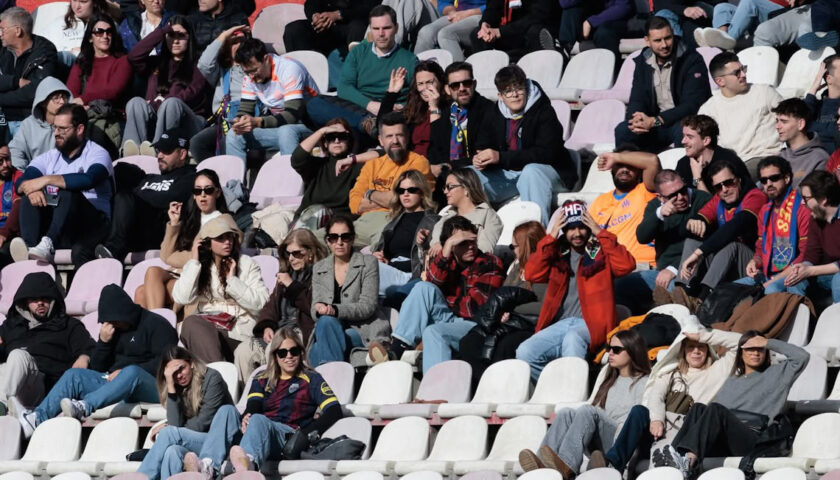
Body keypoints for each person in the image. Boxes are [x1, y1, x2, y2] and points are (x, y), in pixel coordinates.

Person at [10, 284, 178, 437]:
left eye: (116, 319)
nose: (112, 323)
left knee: (131, 372)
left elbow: (169, 363)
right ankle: (36, 419)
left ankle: (84, 406)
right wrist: (104, 342)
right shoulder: (112, 329)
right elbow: (97, 367)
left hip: (154, 386)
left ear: (126, 313)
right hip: (115, 385)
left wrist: (127, 372)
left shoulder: (156, 324)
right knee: (74, 375)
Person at [183, 328, 342, 478]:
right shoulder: (262, 378)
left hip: (285, 434)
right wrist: (247, 416)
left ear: (301, 353)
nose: (289, 357)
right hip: (258, 431)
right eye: (282, 353)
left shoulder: (312, 379)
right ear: (275, 356)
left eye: (294, 351)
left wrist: (308, 433)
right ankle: (207, 466)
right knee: (226, 410)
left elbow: (334, 409)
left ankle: (247, 465)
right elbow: (254, 405)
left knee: (258, 420)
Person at [653, 331, 809, 479]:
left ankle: (687, 461)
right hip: (727, 439)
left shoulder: (778, 373)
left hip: (754, 438)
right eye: (750, 349)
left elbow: (802, 357)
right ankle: (674, 459)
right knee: (698, 408)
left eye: (760, 349)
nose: (755, 353)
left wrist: (768, 342)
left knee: (715, 409)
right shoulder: (731, 381)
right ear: (741, 353)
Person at [591, 328, 742, 474]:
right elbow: (656, 396)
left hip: (688, 431)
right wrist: (656, 419)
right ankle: (612, 464)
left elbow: (739, 342)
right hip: (660, 427)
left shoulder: (716, 371)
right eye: (691, 347)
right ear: (683, 350)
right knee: (639, 411)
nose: (696, 351)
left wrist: (701, 336)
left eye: (701, 347)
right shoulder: (669, 372)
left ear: (708, 349)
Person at [515, 200, 636, 381]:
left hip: (592, 324)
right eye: (571, 228)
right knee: (525, 351)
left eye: (582, 227)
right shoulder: (557, 251)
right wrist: (551, 236)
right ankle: (556, 389)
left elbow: (627, 265)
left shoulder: (601, 249)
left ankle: (572, 395)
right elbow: (532, 273)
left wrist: (599, 232)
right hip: (559, 323)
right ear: (564, 230)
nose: (577, 233)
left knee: (572, 338)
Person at [369, 215, 505, 373]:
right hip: (452, 318)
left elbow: (474, 308)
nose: (470, 247)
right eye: (462, 242)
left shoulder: (490, 262)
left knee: (433, 331)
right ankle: (397, 349)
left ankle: (434, 392)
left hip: (476, 325)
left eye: (472, 241)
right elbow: (431, 284)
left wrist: (443, 302)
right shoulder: (448, 262)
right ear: (451, 245)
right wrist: (446, 251)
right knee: (423, 288)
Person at [519, 330, 651, 479]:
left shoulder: (644, 382)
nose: (610, 353)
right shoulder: (608, 378)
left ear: (633, 350)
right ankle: (541, 468)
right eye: (609, 348)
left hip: (620, 441)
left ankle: (567, 465)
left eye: (616, 349)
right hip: (598, 441)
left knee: (588, 411)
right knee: (565, 413)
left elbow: (638, 421)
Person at [10, 104, 114, 266]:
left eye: (62, 129)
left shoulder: (98, 153)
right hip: (62, 225)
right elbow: (21, 184)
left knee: (67, 191)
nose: (56, 133)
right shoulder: (49, 157)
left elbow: (89, 179)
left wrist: (47, 179)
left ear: (79, 129)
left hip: (93, 225)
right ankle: (28, 249)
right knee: (29, 197)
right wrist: (30, 190)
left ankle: (48, 243)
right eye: (55, 128)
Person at [473, 65, 575, 224]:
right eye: (508, 91)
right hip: (510, 174)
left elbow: (547, 154)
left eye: (519, 88)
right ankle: (476, 235)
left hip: (550, 173)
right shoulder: (494, 112)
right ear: (500, 95)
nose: (514, 95)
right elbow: (482, 143)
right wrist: (481, 159)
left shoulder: (544, 111)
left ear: (526, 88)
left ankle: (539, 238)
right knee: (467, 177)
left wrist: (500, 157)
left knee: (531, 171)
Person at [173, 214, 270, 375]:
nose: (227, 242)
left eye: (229, 237)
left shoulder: (246, 264)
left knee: (193, 325)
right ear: (207, 243)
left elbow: (262, 305)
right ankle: (221, 378)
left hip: (238, 331)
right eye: (220, 238)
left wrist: (232, 281)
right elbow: (182, 297)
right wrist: (194, 262)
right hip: (208, 329)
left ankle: (218, 381)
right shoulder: (200, 268)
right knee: (191, 324)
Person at [458, 220, 547, 386]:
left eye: (515, 246)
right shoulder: (516, 267)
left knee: (504, 345)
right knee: (469, 342)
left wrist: (511, 310)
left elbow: (543, 304)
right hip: (507, 322)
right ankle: (482, 387)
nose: (512, 250)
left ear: (527, 245)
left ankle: (500, 389)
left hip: (529, 325)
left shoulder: (544, 269)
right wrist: (501, 312)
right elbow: (504, 293)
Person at [304, 5, 417, 135]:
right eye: (376, 28)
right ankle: (365, 125)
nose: (381, 33)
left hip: (389, 113)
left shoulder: (409, 59)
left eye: (386, 28)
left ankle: (361, 128)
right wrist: (370, 105)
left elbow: (415, 97)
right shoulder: (359, 51)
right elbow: (344, 87)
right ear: (370, 29)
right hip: (360, 108)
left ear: (396, 28)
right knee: (311, 104)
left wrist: (395, 107)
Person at [233, 229, 328, 379]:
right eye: (288, 253)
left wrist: (292, 286)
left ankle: (275, 396)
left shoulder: (322, 274)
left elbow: (314, 307)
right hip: (279, 330)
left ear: (310, 252)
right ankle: (250, 397)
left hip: (301, 331)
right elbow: (270, 306)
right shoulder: (286, 274)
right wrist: (267, 326)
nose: (291, 258)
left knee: (276, 347)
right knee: (243, 351)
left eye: (297, 253)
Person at [676, 159, 768, 310]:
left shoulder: (755, 197)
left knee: (730, 245)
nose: (724, 189)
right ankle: (682, 293)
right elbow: (683, 230)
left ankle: (701, 300)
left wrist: (698, 254)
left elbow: (735, 227)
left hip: (754, 263)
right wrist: (694, 222)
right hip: (727, 263)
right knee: (692, 241)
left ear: (738, 180)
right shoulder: (719, 199)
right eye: (718, 186)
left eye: (729, 183)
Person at [615, 169, 711, 314]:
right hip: (661, 273)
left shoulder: (703, 201)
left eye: (683, 190)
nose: (680, 197)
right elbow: (642, 237)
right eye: (673, 196)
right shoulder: (655, 206)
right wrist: (659, 215)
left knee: (676, 291)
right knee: (619, 285)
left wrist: (673, 269)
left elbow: (707, 245)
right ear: (661, 197)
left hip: (691, 272)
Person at [95, 129, 196, 261]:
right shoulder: (149, 178)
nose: (160, 155)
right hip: (135, 228)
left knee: (125, 197)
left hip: (158, 233)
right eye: (158, 150)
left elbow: (166, 199)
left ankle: (113, 249)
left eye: (166, 151)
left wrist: (136, 195)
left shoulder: (191, 178)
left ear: (182, 154)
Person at [0, 272, 93, 415]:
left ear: (53, 300)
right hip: (11, 383)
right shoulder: (11, 326)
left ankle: (2, 406)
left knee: (18, 355)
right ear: (25, 301)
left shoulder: (69, 325)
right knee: (4, 367)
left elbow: (91, 348)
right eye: (34, 299)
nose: (40, 303)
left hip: (41, 387)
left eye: (45, 298)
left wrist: (84, 356)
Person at [615, 16, 711, 154]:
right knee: (624, 130)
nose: (664, 45)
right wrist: (636, 119)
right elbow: (637, 97)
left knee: (686, 132)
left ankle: (683, 174)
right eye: (657, 40)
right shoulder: (643, 61)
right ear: (647, 41)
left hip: (682, 121)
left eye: (668, 38)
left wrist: (656, 121)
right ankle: (631, 173)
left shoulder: (692, 59)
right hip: (655, 123)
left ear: (673, 33)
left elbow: (692, 104)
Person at [135, 170, 228, 310]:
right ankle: (153, 328)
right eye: (198, 191)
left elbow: (199, 256)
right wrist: (174, 224)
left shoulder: (222, 221)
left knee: (146, 285)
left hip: (200, 278)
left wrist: (177, 257)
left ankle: (156, 327)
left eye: (208, 190)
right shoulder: (192, 220)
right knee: (143, 286)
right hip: (179, 274)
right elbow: (166, 256)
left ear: (218, 193)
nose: (202, 195)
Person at [137, 346, 234, 480]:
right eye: (173, 374)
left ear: (192, 363)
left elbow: (202, 423)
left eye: (181, 368)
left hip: (219, 442)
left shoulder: (212, 378)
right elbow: (175, 423)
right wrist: (170, 386)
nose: (179, 375)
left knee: (168, 433)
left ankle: (140, 477)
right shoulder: (176, 387)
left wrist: (171, 429)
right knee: (172, 452)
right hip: (197, 442)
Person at [123, 15, 210, 156]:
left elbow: (193, 92)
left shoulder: (199, 63)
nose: (175, 41)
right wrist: (162, 31)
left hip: (189, 121)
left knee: (171, 103)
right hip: (159, 118)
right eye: (171, 35)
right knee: (135, 103)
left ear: (189, 38)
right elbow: (133, 56)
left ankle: (160, 150)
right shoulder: (156, 62)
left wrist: (162, 101)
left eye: (181, 35)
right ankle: (133, 152)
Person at [225, 38, 318, 164]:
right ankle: (234, 183)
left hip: (310, 125)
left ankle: (291, 181)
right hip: (280, 127)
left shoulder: (289, 69)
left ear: (266, 59)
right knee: (233, 135)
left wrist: (258, 122)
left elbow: (293, 115)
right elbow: (245, 108)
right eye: (247, 72)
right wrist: (240, 120)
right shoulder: (250, 77)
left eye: (254, 70)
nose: (251, 76)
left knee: (286, 131)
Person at [347, 111, 434, 246]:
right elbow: (354, 203)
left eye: (399, 135)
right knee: (314, 238)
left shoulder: (418, 163)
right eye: (389, 136)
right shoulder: (372, 165)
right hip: (362, 223)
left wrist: (370, 193)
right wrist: (390, 198)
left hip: (395, 221)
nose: (395, 141)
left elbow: (405, 200)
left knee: (378, 250)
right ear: (381, 140)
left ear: (407, 137)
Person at [731, 156, 810, 296]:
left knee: (771, 290)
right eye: (764, 180)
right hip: (768, 275)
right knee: (733, 289)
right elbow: (760, 249)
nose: (769, 184)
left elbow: (805, 255)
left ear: (786, 178)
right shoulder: (765, 211)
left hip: (797, 272)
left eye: (774, 178)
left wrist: (774, 280)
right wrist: (755, 262)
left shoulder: (802, 208)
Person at [309, 216, 380, 366]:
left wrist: (334, 310)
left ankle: (328, 385)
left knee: (316, 350)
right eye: (333, 238)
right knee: (324, 326)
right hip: (328, 328)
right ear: (328, 241)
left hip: (361, 330)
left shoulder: (368, 263)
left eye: (345, 237)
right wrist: (320, 309)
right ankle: (335, 382)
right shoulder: (319, 268)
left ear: (352, 239)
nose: (339, 242)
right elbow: (314, 308)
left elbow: (368, 306)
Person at [698, 52, 783, 177]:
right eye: (737, 72)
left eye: (743, 69)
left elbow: (790, 117)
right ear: (720, 81)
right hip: (729, 164)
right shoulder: (708, 109)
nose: (743, 75)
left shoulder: (764, 92)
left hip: (764, 158)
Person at [371, 169, 440, 303]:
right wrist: (379, 257)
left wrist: (388, 264)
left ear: (422, 192)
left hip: (412, 275)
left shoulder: (434, 221)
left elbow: (429, 260)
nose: (405, 194)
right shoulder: (393, 223)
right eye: (401, 191)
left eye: (411, 190)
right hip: (390, 272)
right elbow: (382, 253)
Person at [589, 148, 660, 267]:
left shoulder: (646, 191)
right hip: (610, 267)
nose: (625, 170)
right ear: (612, 169)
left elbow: (652, 161)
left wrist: (616, 157)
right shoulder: (600, 201)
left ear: (639, 171)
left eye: (631, 166)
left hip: (641, 266)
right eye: (620, 166)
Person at [290, 118, 363, 231]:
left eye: (342, 137)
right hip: (307, 223)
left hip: (337, 227)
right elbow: (297, 158)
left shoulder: (359, 167)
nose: (337, 140)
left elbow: (383, 154)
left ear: (349, 141)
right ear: (325, 142)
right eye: (331, 137)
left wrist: (352, 160)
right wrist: (322, 131)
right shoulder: (317, 165)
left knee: (319, 211)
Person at [190, 24, 246, 161]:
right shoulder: (221, 70)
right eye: (233, 43)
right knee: (197, 143)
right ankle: (209, 177)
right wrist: (224, 36)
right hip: (224, 123)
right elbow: (204, 64)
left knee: (225, 143)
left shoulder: (255, 69)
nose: (238, 46)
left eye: (242, 42)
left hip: (247, 120)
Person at [427, 61, 495, 170]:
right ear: (447, 90)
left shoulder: (487, 109)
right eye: (455, 85)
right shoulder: (447, 112)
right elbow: (435, 149)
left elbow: (482, 154)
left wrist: (449, 166)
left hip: (478, 172)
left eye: (466, 83)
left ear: (474, 84)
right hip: (447, 172)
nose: (461, 88)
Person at [0, 7, 59, 133]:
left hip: (30, 121)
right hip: (2, 121)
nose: (0, 34)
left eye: (2, 30)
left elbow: (36, 91)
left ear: (17, 31)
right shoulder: (2, 49)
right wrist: (15, 82)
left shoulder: (44, 51)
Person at [784, 170, 840, 303]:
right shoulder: (816, 218)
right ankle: (805, 321)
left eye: (806, 199)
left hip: (836, 274)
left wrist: (811, 270)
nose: (802, 203)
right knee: (795, 280)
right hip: (826, 273)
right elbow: (812, 254)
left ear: (823, 200)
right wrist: (803, 267)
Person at [376, 61, 448, 157]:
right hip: (411, 162)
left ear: (440, 82)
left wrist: (434, 107)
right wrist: (391, 94)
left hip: (437, 162)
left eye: (429, 82)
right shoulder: (415, 108)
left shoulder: (451, 108)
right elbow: (384, 125)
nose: (425, 88)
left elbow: (441, 142)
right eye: (420, 84)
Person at [429, 167, 503, 254]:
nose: (445, 191)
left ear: (466, 189)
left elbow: (483, 252)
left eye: (450, 187)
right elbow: (432, 250)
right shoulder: (446, 216)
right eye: (445, 187)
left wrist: (448, 246)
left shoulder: (489, 216)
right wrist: (423, 243)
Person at [66, 14, 132, 110]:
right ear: (90, 38)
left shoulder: (123, 60)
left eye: (109, 32)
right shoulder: (82, 61)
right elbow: (71, 91)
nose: (105, 36)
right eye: (99, 32)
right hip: (83, 112)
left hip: (111, 115)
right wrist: (80, 107)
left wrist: (84, 99)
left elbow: (112, 91)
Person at [9, 78, 71, 173]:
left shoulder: (72, 124)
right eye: (56, 98)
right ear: (43, 102)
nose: (62, 101)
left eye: (64, 97)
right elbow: (15, 152)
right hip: (34, 178)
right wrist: (23, 176)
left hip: (64, 179)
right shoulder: (28, 125)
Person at [674, 114, 745, 193]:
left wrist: (697, 177)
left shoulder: (729, 161)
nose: (683, 141)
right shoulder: (683, 164)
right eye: (683, 136)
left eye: (689, 137)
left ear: (706, 141)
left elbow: (711, 204)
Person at [283, 0, 377, 57]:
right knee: (294, 29)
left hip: (352, 25)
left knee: (357, 28)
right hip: (326, 27)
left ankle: (356, 76)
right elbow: (310, 4)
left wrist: (338, 15)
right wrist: (315, 16)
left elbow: (370, 8)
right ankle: (299, 74)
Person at [470, 0, 557, 60]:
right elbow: (492, 8)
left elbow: (538, 16)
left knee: (535, 31)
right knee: (478, 34)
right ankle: (485, 79)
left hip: (528, 30)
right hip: (507, 32)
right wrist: (485, 24)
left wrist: (500, 32)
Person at [773, 98, 829, 187]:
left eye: (784, 121)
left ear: (801, 124)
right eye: (777, 121)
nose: (777, 126)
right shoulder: (780, 157)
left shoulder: (819, 158)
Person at [693, 0, 787, 49]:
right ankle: (722, 37)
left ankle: (726, 40)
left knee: (749, 1)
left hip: (782, 14)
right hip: (760, 13)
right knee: (722, 7)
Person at [414, 0, 485, 62]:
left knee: (446, 34)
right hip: (459, 13)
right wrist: (452, 12)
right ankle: (417, 72)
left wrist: (468, 13)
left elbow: (494, 5)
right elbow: (444, 2)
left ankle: (459, 73)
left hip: (484, 15)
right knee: (426, 32)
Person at [42, 0, 118, 57]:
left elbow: (115, 51)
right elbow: (40, 48)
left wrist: (84, 52)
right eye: (74, 0)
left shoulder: (106, 24)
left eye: (83, 1)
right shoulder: (58, 23)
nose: (77, 6)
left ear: (94, 2)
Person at [806, 54, 840, 153]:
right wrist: (813, 88)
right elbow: (799, 123)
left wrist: (813, 128)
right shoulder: (816, 105)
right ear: (828, 78)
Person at [0, 144, 21, 266]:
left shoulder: (18, 177)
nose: (5, 165)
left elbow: (18, 205)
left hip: (11, 235)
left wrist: (3, 233)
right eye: (0, 161)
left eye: (7, 159)